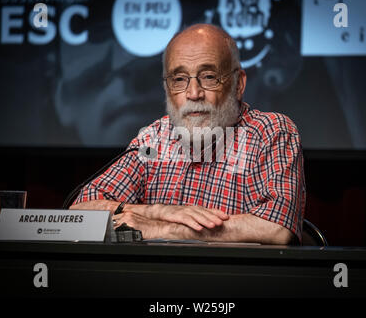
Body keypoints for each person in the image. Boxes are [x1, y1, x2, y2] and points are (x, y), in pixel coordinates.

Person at [70, 24, 305, 245]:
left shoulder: (272, 132)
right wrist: (158, 211)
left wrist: (162, 229)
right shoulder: (153, 138)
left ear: (238, 84)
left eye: (209, 77)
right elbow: (79, 211)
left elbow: (277, 227)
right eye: (180, 79)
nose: (193, 93)